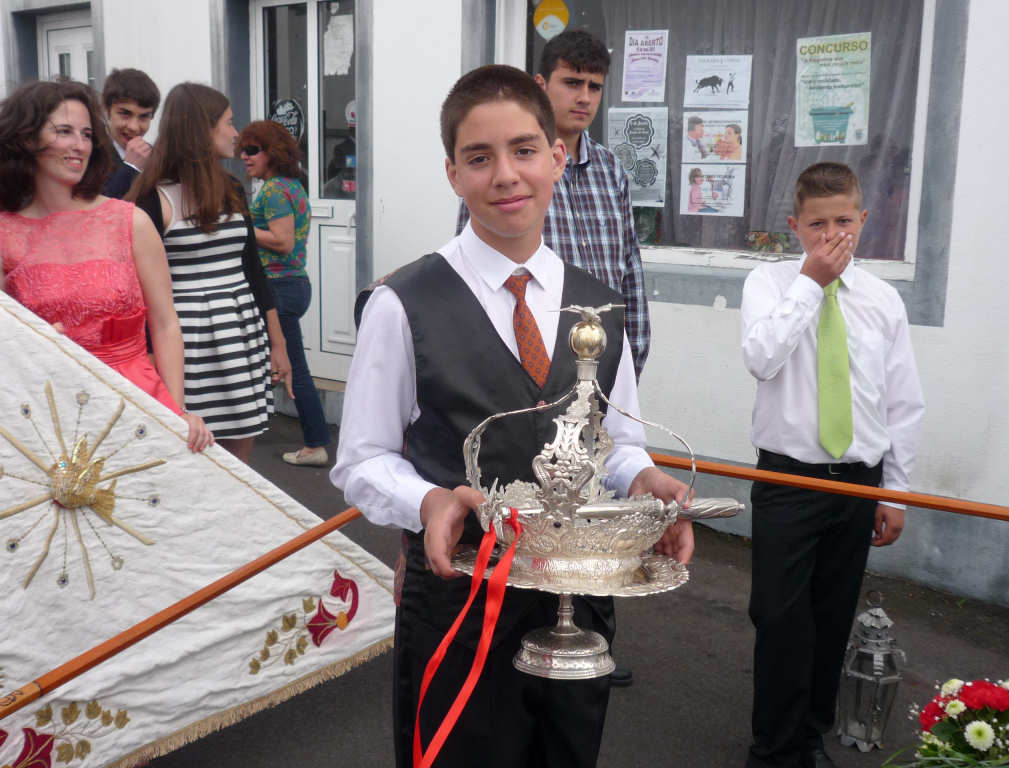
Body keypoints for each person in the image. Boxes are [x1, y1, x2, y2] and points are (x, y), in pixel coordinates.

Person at [332, 65, 694, 768]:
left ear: (556, 157)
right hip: (459, 606)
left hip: (577, 603)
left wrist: (642, 477)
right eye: (479, 157)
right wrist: (429, 499)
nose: (505, 175)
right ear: (453, 174)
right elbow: (363, 459)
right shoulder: (403, 303)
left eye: (524, 150)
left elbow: (615, 440)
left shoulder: (601, 304)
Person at [740, 162, 925, 768]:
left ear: (863, 220)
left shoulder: (882, 299)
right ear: (795, 225)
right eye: (817, 224)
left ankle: (809, 736)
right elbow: (762, 359)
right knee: (777, 614)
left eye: (843, 221)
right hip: (787, 479)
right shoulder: (769, 284)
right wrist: (810, 285)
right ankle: (772, 747)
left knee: (829, 614)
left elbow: (902, 401)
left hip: (857, 484)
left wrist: (894, 492)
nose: (831, 235)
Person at [0, 79, 212, 452]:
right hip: (47, 415)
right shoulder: (5, 232)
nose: (80, 145)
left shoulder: (129, 221)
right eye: (64, 131)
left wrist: (177, 410)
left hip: (136, 404)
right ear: (27, 138)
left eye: (86, 134)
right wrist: (32, 343)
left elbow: (165, 323)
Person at [457, 29, 650, 380]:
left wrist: (629, 364)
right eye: (572, 83)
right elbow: (473, 273)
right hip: (530, 360)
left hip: (603, 361)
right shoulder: (511, 175)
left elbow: (631, 272)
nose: (584, 98)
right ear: (541, 85)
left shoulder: (611, 170)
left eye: (594, 87)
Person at [128, 83, 291, 463]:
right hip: (188, 344)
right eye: (229, 123)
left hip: (241, 334)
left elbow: (252, 269)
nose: (236, 134)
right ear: (201, 129)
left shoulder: (232, 188)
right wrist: (149, 357)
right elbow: (137, 290)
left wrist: (278, 343)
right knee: (191, 452)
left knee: (241, 453)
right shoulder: (152, 198)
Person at [238, 119, 331, 466]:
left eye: (252, 150)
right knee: (276, 362)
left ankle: (315, 444)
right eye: (242, 150)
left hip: (279, 287)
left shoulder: (275, 190)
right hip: (292, 284)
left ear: (271, 152)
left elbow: (283, 240)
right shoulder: (292, 185)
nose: (244, 157)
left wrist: (240, 225)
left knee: (294, 369)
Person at [101, 68, 160, 199]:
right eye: (125, 114)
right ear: (106, 109)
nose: (134, 127)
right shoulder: (91, 155)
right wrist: (130, 167)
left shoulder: (155, 158)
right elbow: (99, 207)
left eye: (144, 116)